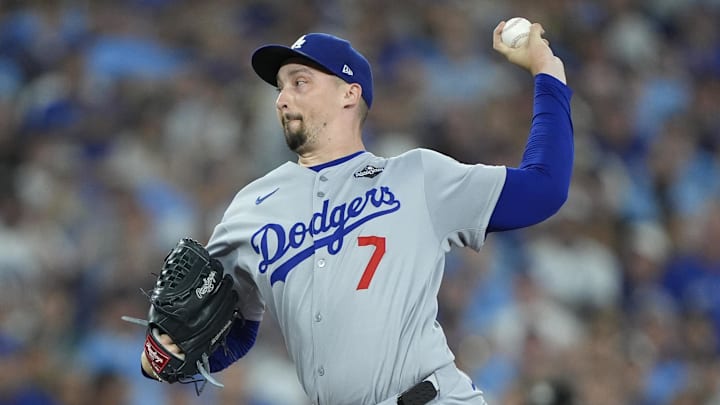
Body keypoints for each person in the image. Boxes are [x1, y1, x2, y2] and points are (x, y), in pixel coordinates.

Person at [140, 20, 573, 405]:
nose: (282, 98)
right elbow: (231, 331)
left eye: (300, 81)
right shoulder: (248, 209)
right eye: (280, 87)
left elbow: (544, 188)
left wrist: (547, 71)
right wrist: (172, 353)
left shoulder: (417, 176)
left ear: (350, 94)